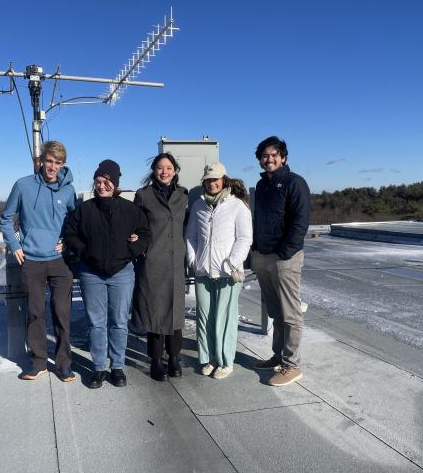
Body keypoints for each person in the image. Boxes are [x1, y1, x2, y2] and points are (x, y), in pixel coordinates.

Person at [63, 160, 151, 389]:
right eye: (98, 182)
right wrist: (85, 252)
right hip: (91, 274)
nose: (102, 186)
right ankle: (99, 367)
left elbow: (144, 235)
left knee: (119, 322)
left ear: (115, 183)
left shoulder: (131, 210)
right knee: (96, 323)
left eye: (106, 181)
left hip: (122, 273)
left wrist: (129, 251)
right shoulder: (85, 209)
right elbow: (70, 234)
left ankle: (117, 366)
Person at [0, 140, 77, 382]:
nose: (53, 166)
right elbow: (5, 218)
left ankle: (64, 363)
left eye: (58, 162)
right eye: (50, 161)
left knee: (62, 313)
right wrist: (14, 245)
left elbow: (76, 223)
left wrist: (68, 241)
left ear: (63, 164)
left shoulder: (68, 190)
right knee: (35, 313)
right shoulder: (23, 185)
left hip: (60, 262)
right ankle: (38, 362)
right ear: (41, 160)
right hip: (31, 260)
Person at [251, 136, 311, 386]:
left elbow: (300, 221)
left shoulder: (295, 182)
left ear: (283, 157)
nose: (269, 159)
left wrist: (285, 251)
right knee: (275, 311)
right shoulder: (262, 185)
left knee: (290, 314)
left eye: (274, 154)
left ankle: (291, 364)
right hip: (263, 256)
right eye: (265, 155)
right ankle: (278, 356)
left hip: (284, 258)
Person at [186, 162, 252, 379]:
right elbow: (191, 237)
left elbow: (244, 238)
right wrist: (194, 261)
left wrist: (232, 262)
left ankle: (225, 361)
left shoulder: (237, 205)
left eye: (216, 179)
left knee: (224, 318)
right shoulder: (198, 206)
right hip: (204, 271)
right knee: (204, 317)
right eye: (208, 180)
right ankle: (208, 358)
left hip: (228, 274)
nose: (212, 183)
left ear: (224, 180)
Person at [132, 153, 189, 381]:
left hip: (176, 263)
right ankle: (155, 360)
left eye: (168, 167)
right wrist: (140, 248)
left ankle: (174, 357)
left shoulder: (183, 195)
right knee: (154, 313)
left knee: (175, 313)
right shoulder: (143, 195)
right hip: (153, 262)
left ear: (175, 170)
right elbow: (134, 226)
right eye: (159, 168)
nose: (164, 172)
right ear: (153, 171)